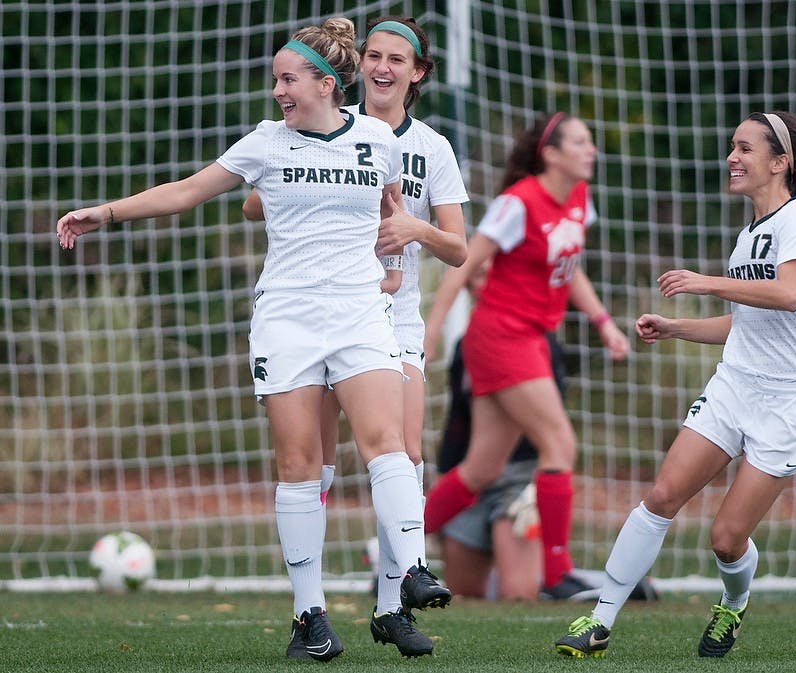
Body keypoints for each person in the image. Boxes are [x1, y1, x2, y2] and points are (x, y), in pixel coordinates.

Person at [56, 17, 451, 662]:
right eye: (276, 81)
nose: (279, 92)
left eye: (289, 80)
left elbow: (391, 214)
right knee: (300, 467)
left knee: (387, 446)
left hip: (358, 312)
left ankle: (409, 569)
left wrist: (391, 261)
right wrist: (105, 211)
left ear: (326, 84)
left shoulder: (377, 139)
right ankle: (310, 619)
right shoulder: (266, 143)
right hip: (288, 319)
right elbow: (187, 192)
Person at [554, 111, 796, 659]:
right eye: (733, 146)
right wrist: (678, 328)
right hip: (735, 386)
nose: (733, 157)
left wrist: (705, 283)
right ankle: (600, 619)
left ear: (782, 162)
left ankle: (734, 601)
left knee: (726, 539)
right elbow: (749, 325)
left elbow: (790, 293)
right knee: (661, 495)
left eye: (746, 149)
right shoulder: (748, 232)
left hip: (790, 401)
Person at [243, 15, 468, 657]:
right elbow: (254, 200)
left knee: (402, 452)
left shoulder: (427, 147)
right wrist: (303, 176)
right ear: (354, 66)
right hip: (317, 306)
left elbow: (458, 247)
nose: (383, 67)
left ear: (417, 72)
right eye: (374, 55)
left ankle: (392, 604)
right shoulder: (310, 127)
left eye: (398, 59)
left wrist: (412, 232)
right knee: (312, 463)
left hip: (389, 317)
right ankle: (307, 613)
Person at [421, 112, 631, 600]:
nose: (591, 150)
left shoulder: (579, 198)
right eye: (580, 142)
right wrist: (431, 330)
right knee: (560, 444)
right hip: (501, 336)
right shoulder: (517, 204)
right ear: (551, 153)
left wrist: (604, 323)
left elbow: (569, 266)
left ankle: (394, 551)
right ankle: (557, 576)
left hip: (530, 336)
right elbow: (463, 266)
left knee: (481, 469)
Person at [434, 261, 551, 600]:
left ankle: (559, 573)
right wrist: (447, 476)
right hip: (470, 479)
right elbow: (457, 420)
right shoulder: (463, 348)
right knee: (461, 596)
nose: (486, 282)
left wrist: (539, 482)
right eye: (478, 275)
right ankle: (396, 552)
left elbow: (552, 430)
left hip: (518, 478)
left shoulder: (536, 339)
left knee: (518, 595)